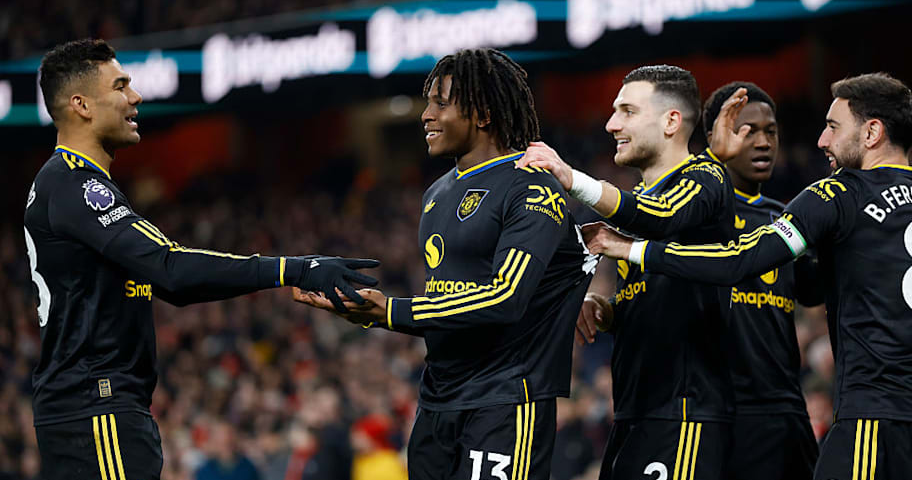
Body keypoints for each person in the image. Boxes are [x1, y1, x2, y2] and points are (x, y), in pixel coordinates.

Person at [25, 38, 379, 480]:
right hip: (96, 407)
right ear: (81, 104)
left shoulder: (72, 186)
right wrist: (294, 268)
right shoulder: (77, 187)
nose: (134, 97)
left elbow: (174, 285)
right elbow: (171, 268)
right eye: (120, 86)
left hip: (97, 407)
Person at [585, 72, 912, 480]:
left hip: (834, 414)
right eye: (748, 130)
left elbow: (745, 265)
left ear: (872, 132)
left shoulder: (827, 199)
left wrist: (626, 245)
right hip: (724, 408)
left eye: (832, 127)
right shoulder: (694, 204)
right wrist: (612, 310)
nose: (821, 141)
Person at [297, 48, 595, 480]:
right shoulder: (435, 194)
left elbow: (505, 299)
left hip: (506, 400)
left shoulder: (531, 185)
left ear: (484, 113)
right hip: (437, 402)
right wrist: (368, 311)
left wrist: (391, 310)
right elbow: (447, 299)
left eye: (441, 102)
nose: (426, 115)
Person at [516, 65, 737, 480]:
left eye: (628, 111)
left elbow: (662, 216)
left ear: (671, 121)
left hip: (684, 414)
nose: (611, 123)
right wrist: (611, 310)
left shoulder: (704, 177)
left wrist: (574, 179)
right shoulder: (638, 200)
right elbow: (663, 285)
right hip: (636, 412)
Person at [703, 82, 821, 480]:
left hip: (786, 405)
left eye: (770, 131)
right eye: (747, 130)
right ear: (716, 137)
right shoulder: (692, 213)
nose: (763, 142)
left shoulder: (788, 218)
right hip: (722, 410)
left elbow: (812, 290)